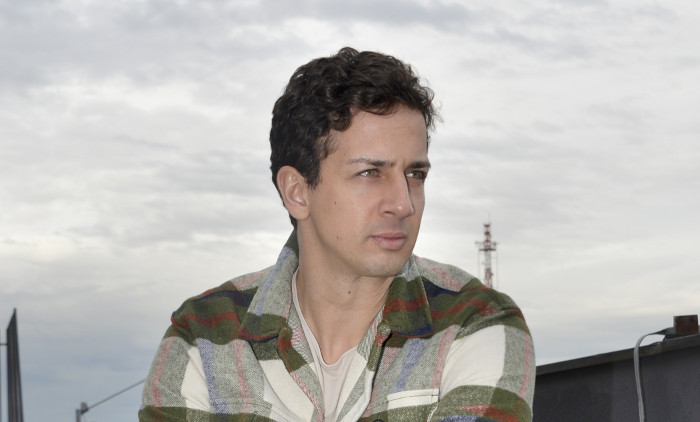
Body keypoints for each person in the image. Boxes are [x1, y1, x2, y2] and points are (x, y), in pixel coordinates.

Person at [139, 47, 535, 422]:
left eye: (415, 174)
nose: (403, 204)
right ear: (297, 192)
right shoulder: (203, 337)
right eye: (370, 173)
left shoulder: (476, 322)